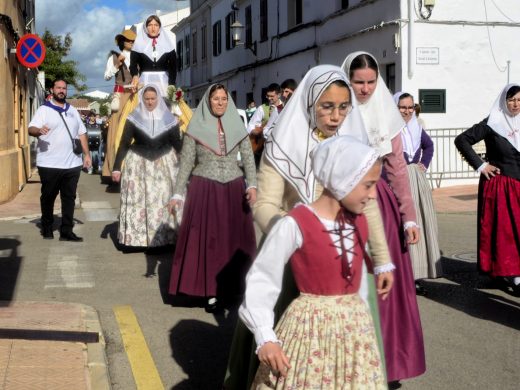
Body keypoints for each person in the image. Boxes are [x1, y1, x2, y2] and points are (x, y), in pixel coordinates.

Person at [224, 65, 394, 389]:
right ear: (310, 103)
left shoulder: (353, 145)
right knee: (289, 357)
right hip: (295, 254)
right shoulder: (282, 145)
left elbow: (367, 207)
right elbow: (265, 204)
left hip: (340, 255)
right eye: (327, 106)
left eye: (344, 107)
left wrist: (382, 257)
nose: (336, 116)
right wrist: (295, 232)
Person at [240, 135, 389, 389]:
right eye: (368, 185)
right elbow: (263, 278)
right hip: (311, 331)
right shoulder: (295, 224)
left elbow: (358, 282)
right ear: (344, 180)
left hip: (355, 334)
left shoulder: (358, 222)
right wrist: (265, 336)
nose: (373, 194)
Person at [342, 51, 425, 385]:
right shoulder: (336, 108)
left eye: (371, 82)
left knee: (384, 288)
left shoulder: (385, 112)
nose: (364, 89)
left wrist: (409, 218)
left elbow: (397, 168)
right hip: (342, 207)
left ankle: (387, 362)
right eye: (358, 82)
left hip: (382, 208)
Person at [168, 84, 257, 312]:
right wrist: (178, 193)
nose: (220, 103)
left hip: (233, 188)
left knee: (233, 240)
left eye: (224, 99)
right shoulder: (195, 128)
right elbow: (187, 161)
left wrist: (253, 184)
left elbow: (247, 156)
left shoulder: (237, 125)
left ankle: (234, 287)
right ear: (208, 102)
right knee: (209, 241)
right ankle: (209, 291)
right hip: (204, 188)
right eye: (216, 99)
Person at [455, 83, 520, 292]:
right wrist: (481, 165)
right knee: (506, 233)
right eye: (511, 100)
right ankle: (511, 274)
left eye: (519, 100)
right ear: (504, 101)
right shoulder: (493, 122)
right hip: (502, 185)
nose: (515, 104)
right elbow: (462, 140)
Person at [111, 84, 182, 249]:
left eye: (153, 98)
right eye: (147, 99)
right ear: (142, 99)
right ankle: (139, 241)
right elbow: (124, 143)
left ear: (158, 99)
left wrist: (187, 162)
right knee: (140, 202)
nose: (150, 102)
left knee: (162, 200)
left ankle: (163, 240)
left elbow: (177, 144)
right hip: (138, 163)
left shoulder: (169, 119)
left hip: (164, 163)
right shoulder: (133, 117)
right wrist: (116, 167)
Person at [28, 79, 92, 242]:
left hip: (72, 164)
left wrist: (87, 155)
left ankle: (66, 231)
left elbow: (82, 133)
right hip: (49, 164)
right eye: (58, 88)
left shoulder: (73, 110)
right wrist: (38, 131)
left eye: (64, 88)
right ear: (52, 90)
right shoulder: (44, 110)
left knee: (69, 198)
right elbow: (31, 128)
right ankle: (47, 226)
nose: (62, 90)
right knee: (48, 196)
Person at [394, 92, 442, 288]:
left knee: (418, 221)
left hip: (416, 178)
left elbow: (429, 146)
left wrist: (423, 164)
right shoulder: (390, 128)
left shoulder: (416, 127)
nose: (406, 111)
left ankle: (417, 272)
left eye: (409, 107)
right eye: (402, 107)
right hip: (398, 179)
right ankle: (401, 272)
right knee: (398, 224)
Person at [102, 28, 136, 181]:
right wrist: (117, 65)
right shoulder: (114, 56)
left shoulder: (138, 56)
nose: (131, 43)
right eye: (129, 41)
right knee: (117, 131)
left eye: (133, 40)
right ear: (123, 42)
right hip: (121, 95)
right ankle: (113, 168)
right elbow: (106, 77)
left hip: (135, 95)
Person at [246, 83, 283, 164]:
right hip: (263, 147)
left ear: (279, 95)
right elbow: (250, 125)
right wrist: (257, 131)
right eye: (267, 96)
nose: (269, 98)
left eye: (272, 96)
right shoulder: (261, 108)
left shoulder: (285, 107)